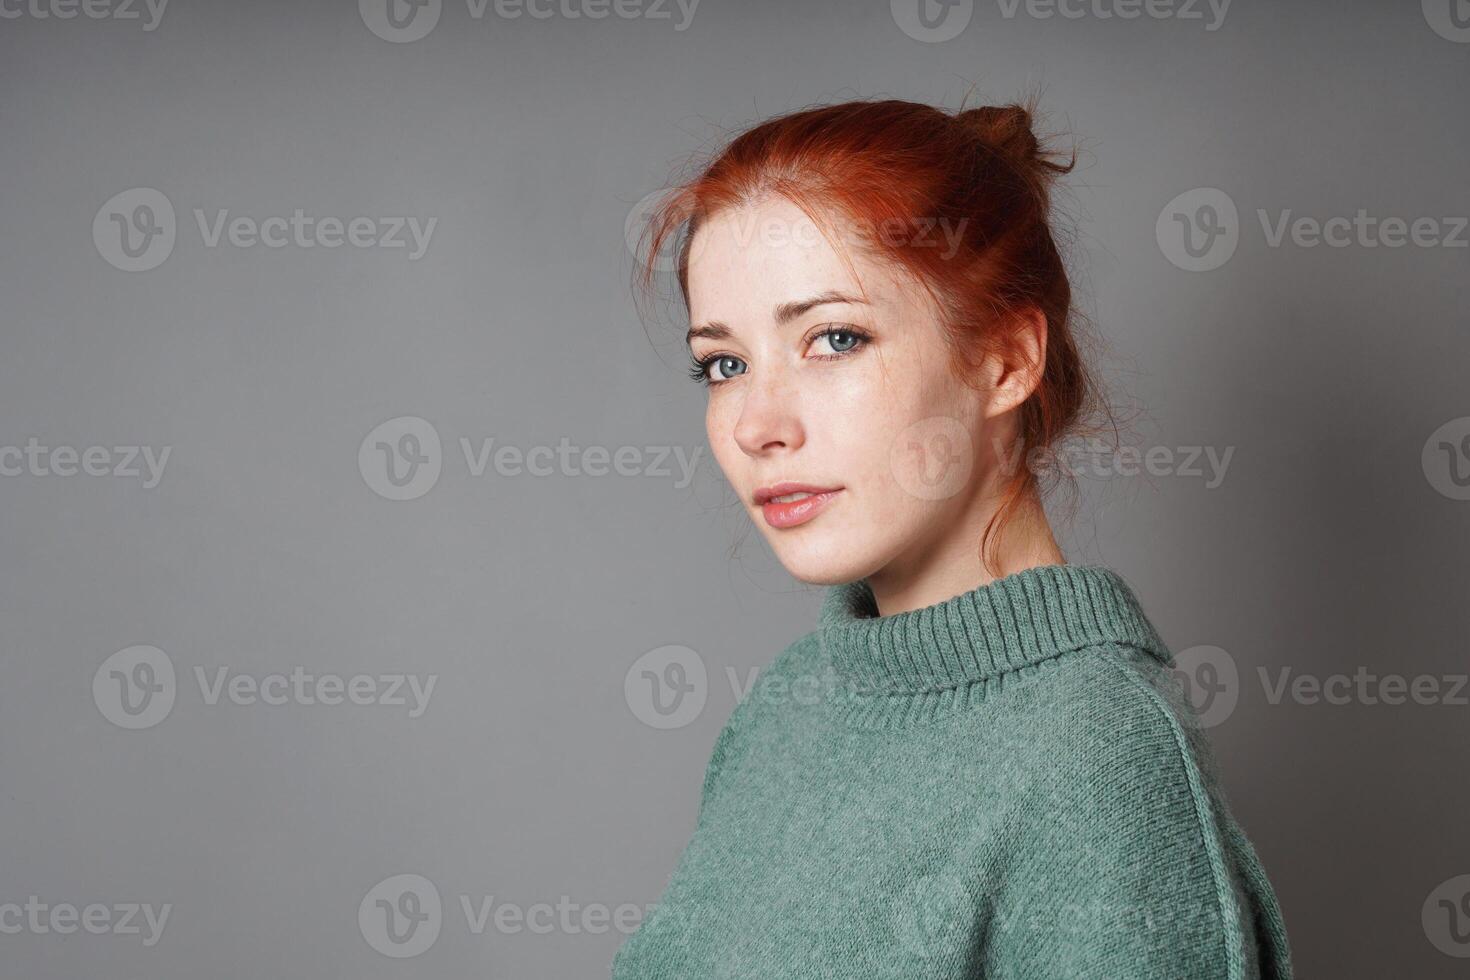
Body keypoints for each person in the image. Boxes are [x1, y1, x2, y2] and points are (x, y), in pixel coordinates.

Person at [612, 96, 1292, 979]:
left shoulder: (1099, 756)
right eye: (725, 364)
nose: (755, 424)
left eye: (834, 338)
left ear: (1005, 361)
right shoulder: (785, 707)